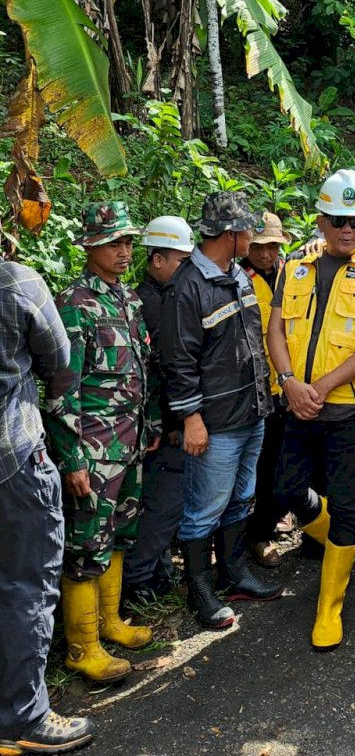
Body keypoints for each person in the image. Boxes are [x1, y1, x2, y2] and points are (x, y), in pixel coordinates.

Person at [268, 169, 355, 651]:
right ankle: (344, 540)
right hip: (298, 406)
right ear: (322, 220)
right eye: (339, 220)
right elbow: (276, 329)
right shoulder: (295, 266)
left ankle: (329, 609)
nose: (348, 230)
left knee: (344, 505)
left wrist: (318, 387)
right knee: (285, 488)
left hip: (347, 411)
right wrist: (289, 383)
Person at [160, 192, 282, 631]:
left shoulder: (237, 275)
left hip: (251, 412)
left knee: (240, 498)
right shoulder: (187, 286)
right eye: (249, 230)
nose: (254, 237)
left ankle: (233, 574)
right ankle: (200, 589)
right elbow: (178, 360)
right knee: (204, 509)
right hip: (215, 422)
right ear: (231, 235)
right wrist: (190, 418)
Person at [47, 203, 155, 684]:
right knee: (86, 543)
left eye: (128, 241)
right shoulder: (73, 303)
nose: (124, 250)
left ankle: (110, 622)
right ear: (90, 246)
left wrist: (149, 426)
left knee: (120, 536)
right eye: (115, 242)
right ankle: (82, 647)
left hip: (128, 446)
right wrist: (71, 458)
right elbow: (60, 389)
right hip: (92, 450)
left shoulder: (127, 300)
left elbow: (141, 371)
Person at [0, 258, 95, 754]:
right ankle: (22, 720)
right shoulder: (14, 280)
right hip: (12, 458)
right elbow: (60, 363)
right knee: (26, 587)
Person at [122, 216, 193, 606]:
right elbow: (159, 372)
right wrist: (171, 423)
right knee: (162, 505)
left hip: (158, 425)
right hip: (158, 428)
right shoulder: (146, 304)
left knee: (161, 503)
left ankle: (156, 571)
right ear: (158, 260)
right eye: (181, 262)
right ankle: (137, 580)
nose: (186, 270)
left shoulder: (164, 298)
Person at [241, 211, 292, 569]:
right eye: (259, 247)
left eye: (272, 246)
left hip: (289, 384)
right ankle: (257, 537)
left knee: (283, 464)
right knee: (257, 468)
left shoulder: (291, 274)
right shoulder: (239, 279)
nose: (266, 254)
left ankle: (269, 523)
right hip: (253, 389)